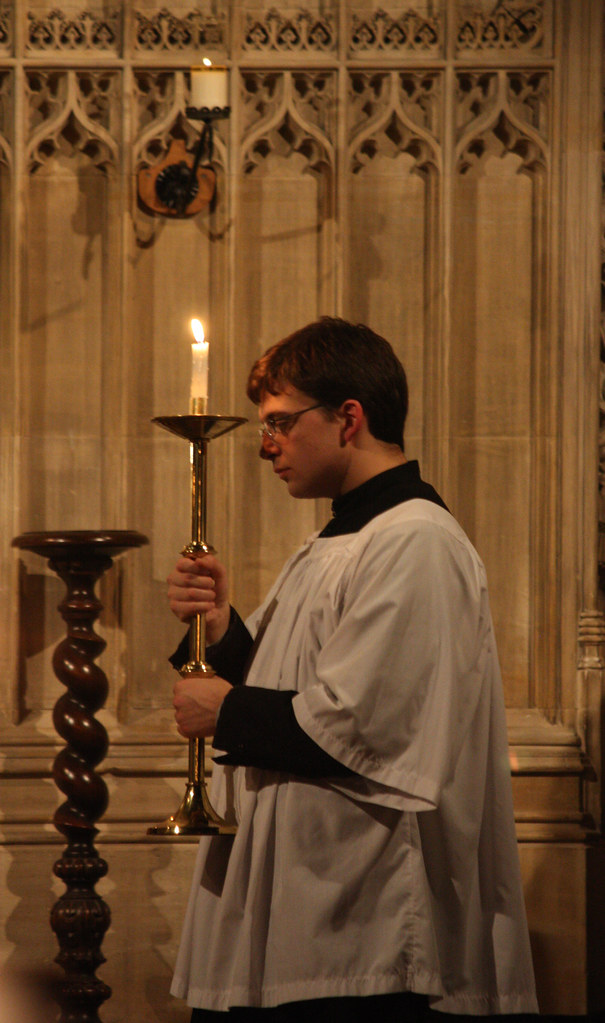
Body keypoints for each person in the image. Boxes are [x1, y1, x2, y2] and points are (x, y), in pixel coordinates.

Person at [167, 317, 538, 1022]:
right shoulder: (344, 540)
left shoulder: (414, 540)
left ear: (348, 417)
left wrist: (225, 711)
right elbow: (296, 683)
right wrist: (218, 630)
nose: (265, 445)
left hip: (364, 917)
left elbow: (368, 724)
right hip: (301, 895)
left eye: (280, 422)